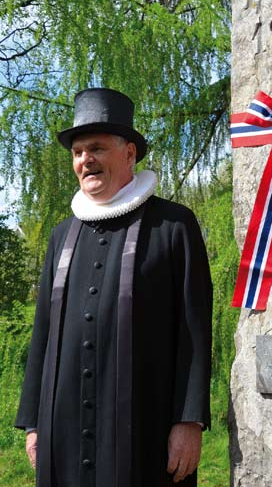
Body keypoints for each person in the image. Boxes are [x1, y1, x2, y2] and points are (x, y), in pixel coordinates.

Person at [15, 88, 212, 487]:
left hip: (148, 426)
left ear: (129, 154)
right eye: (78, 152)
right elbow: (43, 332)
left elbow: (194, 332)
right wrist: (33, 422)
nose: (85, 159)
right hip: (64, 428)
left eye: (97, 149)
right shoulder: (61, 236)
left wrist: (189, 420)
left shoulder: (174, 226)